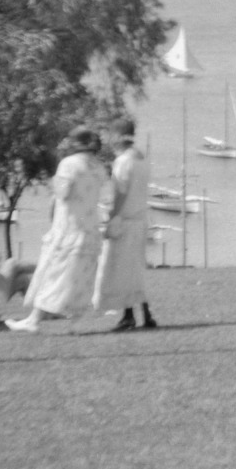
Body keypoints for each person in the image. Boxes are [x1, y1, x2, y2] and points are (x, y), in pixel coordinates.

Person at [7, 128, 109, 333]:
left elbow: (62, 193)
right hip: (90, 228)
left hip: (68, 228)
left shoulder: (69, 164)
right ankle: (76, 321)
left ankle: (34, 320)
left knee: (53, 274)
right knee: (81, 277)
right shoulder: (99, 167)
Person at [95, 117, 158, 331]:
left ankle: (129, 315)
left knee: (122, 270)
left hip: (126, 220)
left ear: (118, 136)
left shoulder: (123, 161)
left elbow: (120, 194)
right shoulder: (142, 158)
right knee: (135, 270)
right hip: (140, 220)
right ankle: (144, 314)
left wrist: (112, 218)